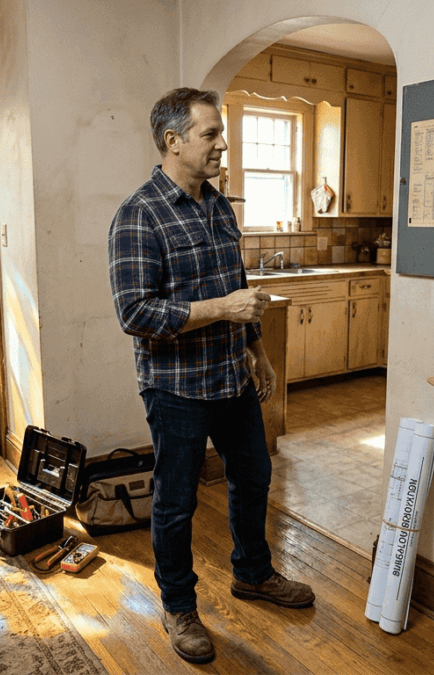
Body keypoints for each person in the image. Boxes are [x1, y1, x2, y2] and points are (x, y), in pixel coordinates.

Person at [108, 87, 314, 664]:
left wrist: (257, 351)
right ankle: (178, 606)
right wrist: (222, 309)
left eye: (221, 133)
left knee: (253, 475)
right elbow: (135, 314)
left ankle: (253, 573)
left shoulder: (219, 206)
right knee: (175, 503)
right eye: (211, 134)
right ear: (173, 141)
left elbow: (236, 283)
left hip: (231, 377)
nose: (223, 144)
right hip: (175, 388)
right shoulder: (139, 215)